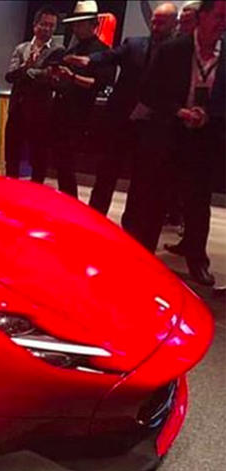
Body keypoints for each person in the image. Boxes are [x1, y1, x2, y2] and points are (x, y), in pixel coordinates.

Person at [124, 0, 225, 286]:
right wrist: (178, 111)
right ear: (203, 16)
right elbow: (148, 91)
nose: (223, 24)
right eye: (219, 16)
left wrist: (208, 114)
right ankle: (144, 259)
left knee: (198, 203)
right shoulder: (173, 50)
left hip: (204, 139)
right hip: (169, 136)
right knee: (155, 200)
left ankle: (197, 261)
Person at [64, 2, 178, 214]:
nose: (155, 27)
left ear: (174, 24)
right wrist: (88, 61)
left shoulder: (177, 53)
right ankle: (95, 217)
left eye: (161, 23)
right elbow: (110, 56)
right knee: (106, 173)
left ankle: (130, 223)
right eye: (154, 21)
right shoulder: (134, 44)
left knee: (140, 180)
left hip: (150, 125)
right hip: (120, 120)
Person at [45, 1, 115, 197]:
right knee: (60, 163)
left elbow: (100, 84)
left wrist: (72, 77)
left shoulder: (103, 51)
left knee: (68, 164)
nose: (76, 28)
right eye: (75, 24)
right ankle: (65, 200)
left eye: (80, 24)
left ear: (93, 25)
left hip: (80, 115)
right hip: (61, 111)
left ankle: (70, 201)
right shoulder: (72, 48)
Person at [4, 6, 61, 182]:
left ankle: (36, 193)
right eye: (44, 24)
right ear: (35, 25)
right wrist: (26, 67)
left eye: (51, 26)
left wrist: (29, 72)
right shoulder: (21, 49)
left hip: (41, 114)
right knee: (11, 157)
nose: (48, 29)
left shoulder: (58, 50)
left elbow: (52, 78)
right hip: (17, 110)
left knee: (39, 160)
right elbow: (10, 76)